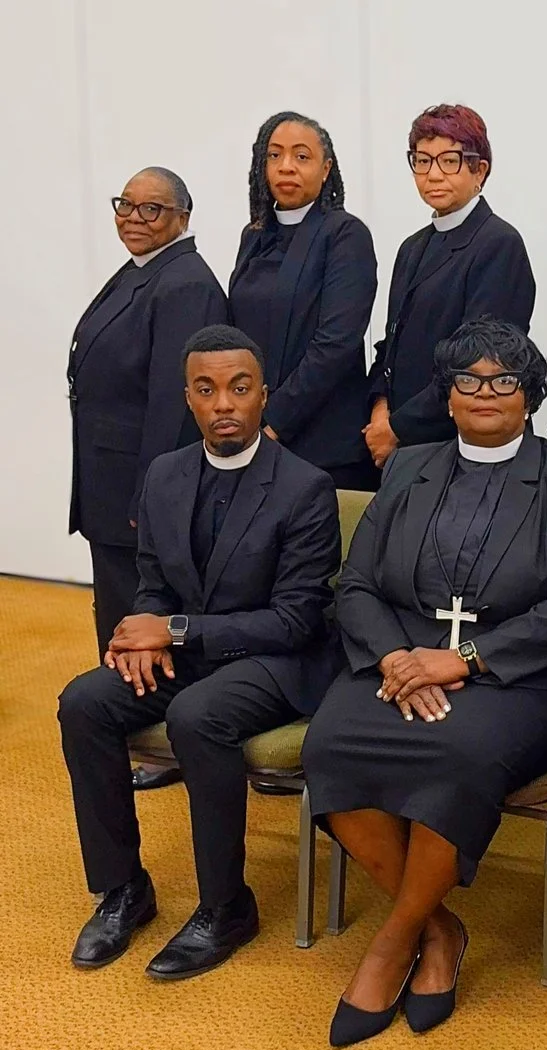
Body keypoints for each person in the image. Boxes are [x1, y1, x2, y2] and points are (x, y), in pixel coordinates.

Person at [305, 317, 547, 1048]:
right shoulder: (409, 467)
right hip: (402, 663)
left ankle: (394, 944)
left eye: (504, 381)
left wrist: (465, 660)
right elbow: (354, 586)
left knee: (459, 754)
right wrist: (393, 659)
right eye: (468, 381)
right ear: (447, 397)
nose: (485, 393)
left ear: (529, 396)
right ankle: (439, 928)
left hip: (524, 679)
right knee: (332, 743)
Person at [59, 325, 341, 979]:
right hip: (188, 652)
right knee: (85, 701)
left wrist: (177, 631)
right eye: (207, 390)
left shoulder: (305, 487)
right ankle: (123, 888)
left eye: (239, 389)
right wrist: (142, 633)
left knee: (198, 715)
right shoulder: (164, 474)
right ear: (188, 399)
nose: (223, 405)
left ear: (263, 395)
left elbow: (297, 620)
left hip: (279, 663)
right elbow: (154, 583)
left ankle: (225, 905)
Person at [71, 167, 228, 665]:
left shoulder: (185, 283)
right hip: (110, 481)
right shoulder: (144, 267)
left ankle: (129, 722)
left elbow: (172, 402)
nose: (133, 218)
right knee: (115, 616)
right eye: (125, 205)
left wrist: (150, 493)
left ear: (182, 217)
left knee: (134, 623)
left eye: (151, 209)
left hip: (136, 491)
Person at [364, 104, 534, 467]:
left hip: (463, 445)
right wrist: (380, 409)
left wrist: (397, 428)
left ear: (480, 171)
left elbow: (478, 362)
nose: (434, 174)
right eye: (422, 161)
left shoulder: (498, 244)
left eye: (449, 160)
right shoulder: (412, 247)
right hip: (404, 443)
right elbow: (391, 345)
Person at [225, 111, 380, 490]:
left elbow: (336, 343)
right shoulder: (254, 235)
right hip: (256, 440)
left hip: (324, 447)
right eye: (274, 156)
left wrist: (274, 421)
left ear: (326, 169)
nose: (286, 167)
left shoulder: (345, 234)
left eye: (301, 156)